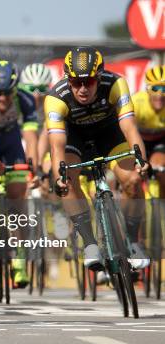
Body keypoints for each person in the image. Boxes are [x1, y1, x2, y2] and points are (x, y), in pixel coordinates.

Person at [46, 46, 150, 270]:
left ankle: (133, 241)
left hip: (109, 133)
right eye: (76, 82)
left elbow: (130, 128)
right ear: (68, 79)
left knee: (132, 179)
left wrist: (141, 161)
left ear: (99, 76)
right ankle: (90, 243)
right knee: (68, 177)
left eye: (89, 81)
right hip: (75, 136)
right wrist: (59, 177)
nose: (82, 89)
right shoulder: (56, 97)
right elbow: (56, 147)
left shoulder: (115, 84)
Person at [0, 60, 39, 288]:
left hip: (12, 146)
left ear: (15, 89)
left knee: (18, 203)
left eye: (7, 93)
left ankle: (19, 259)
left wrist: (33, 165)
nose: (2, 99)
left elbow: (30, 137)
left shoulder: (25, 100)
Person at [132, 65, 164, 197]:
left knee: (160, 171)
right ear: (147, 89)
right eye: (155, 88)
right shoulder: (137, 102)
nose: (160, 94)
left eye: (164, 89)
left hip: (160, 141)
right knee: (134, 179)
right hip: (138, 140)